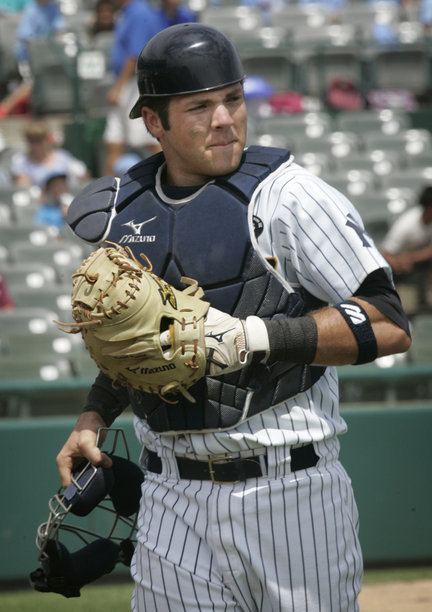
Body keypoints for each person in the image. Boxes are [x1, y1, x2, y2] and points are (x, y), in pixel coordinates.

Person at [56, 24, 411, 612]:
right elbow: (137, 344)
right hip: (170, 494)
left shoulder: (289, 198)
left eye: (234, 99)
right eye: (199, 106)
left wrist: (250, 336)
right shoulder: (126, 211)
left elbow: (388, 322)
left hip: (290, 490)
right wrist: (92, 416)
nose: (225, 119)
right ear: (154, 122)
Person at [102, 0, 162, 175]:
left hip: (134, 83)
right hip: (123, 81)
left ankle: (171, 182)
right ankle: (108, 192)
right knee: (114, 139)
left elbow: (135, 55)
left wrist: (118, 87)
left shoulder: (139, 12)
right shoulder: (126, 12)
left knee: (148, 139)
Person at [381, 185, 432, 308]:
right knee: (408, 305)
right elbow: (386, 253)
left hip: (418, 263)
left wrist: (411, 257)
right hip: (401, 271)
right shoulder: (406, 224)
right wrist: (400, 262)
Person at [10, 120, 90, 189]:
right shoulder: (21, 161)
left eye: (38, 140)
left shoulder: (63, 157)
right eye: (31, 140)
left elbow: (84, 178)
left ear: (47, 139)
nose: (35, 145)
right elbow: (23, 187)